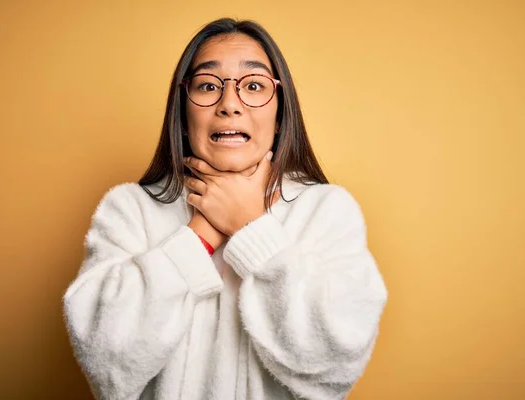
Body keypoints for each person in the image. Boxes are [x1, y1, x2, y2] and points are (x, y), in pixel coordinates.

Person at [62, 17, 388, 400]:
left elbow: (335, 364)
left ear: (281, 115)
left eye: (253, 86)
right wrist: (200, 235)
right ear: (183, 116)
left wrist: (250, 228)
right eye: (207, 86)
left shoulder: (326, 210)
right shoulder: (129, 209)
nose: (230, 104)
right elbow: (105, 361)